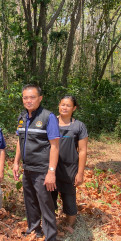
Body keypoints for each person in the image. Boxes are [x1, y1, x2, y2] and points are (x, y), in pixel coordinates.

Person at [13, 84, 60, 241]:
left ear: (40, 98)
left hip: (43, 170)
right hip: (28, 168)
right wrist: (16, 162)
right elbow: (20, 141)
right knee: (30, 202)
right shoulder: (22, 116)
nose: (28, 100)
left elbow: (55, 146)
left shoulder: (48, 117)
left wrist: (51, 171)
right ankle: (34, 229)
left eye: (32, 97)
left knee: (45, 204)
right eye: (25, 97)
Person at [51, 96, 88, 227]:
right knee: (49, 197)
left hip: (69, 169)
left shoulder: (79, 126)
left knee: (69, 198)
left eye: (68, 105)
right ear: (58, 105)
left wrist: (80, 173)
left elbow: (83, 150)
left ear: (74, 108)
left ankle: (69, 225)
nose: (64, 107)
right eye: (62, 104)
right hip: (51, 168)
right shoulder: (50, 122)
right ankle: (50, 224)